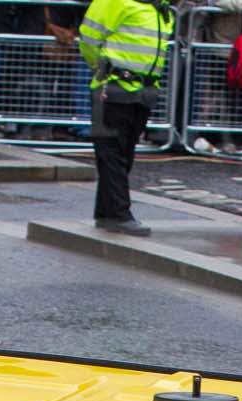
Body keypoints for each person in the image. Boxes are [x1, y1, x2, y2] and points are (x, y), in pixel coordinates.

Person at [77, 0, 172, 235]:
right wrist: (101, 68)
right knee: (112, 153)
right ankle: (119, 214)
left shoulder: (159, 7)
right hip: (112, 87)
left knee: (123, 153)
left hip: (142, 92)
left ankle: (106, 212)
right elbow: (89, 38)